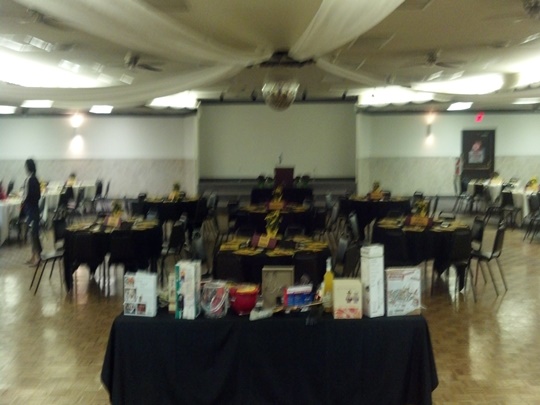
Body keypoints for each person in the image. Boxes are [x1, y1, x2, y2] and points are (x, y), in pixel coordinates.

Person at [22, 158, 42, 266]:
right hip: (32, 209)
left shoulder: (31, 180)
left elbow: (32, 196)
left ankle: (37, 258)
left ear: (28, 167)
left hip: (32, 210)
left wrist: (26, 202)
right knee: (32, 233)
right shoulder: (33, 179)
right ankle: (34, 256)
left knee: (34, 234)